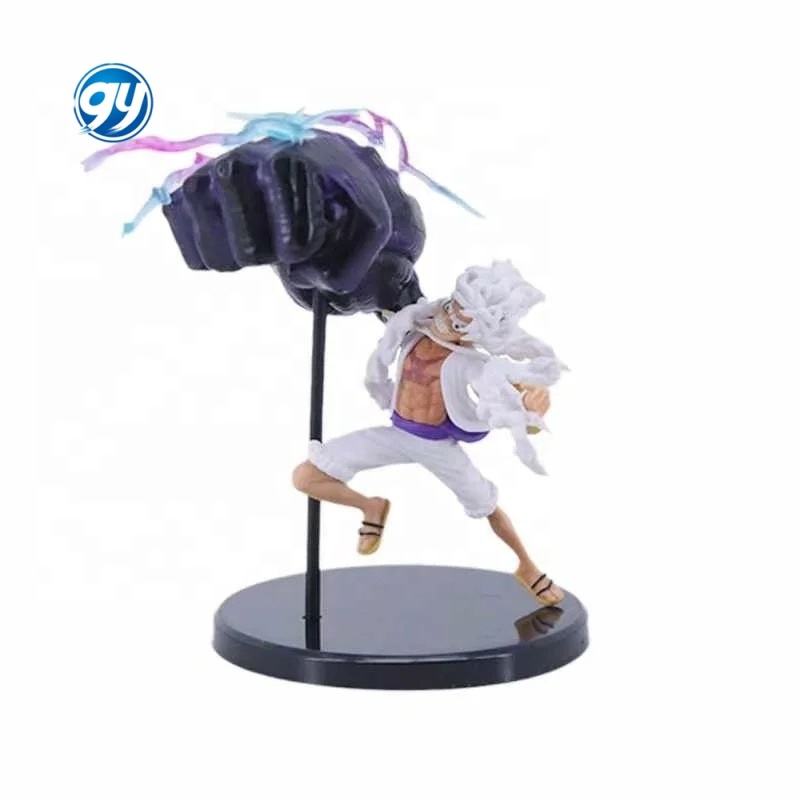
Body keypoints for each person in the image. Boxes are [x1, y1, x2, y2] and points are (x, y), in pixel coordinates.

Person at [292, 260, 566, 606]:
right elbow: (379, 293)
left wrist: (530, 404)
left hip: (438, 446)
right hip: (396, 434)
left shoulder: (472, 364)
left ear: (476, 332)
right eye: (451, 307)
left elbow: (507, 393)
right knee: (306, 477)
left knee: (486, 504)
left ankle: (527, 566)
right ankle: (371, 507)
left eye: (459, 322)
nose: (445, 319)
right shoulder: (411, 328)